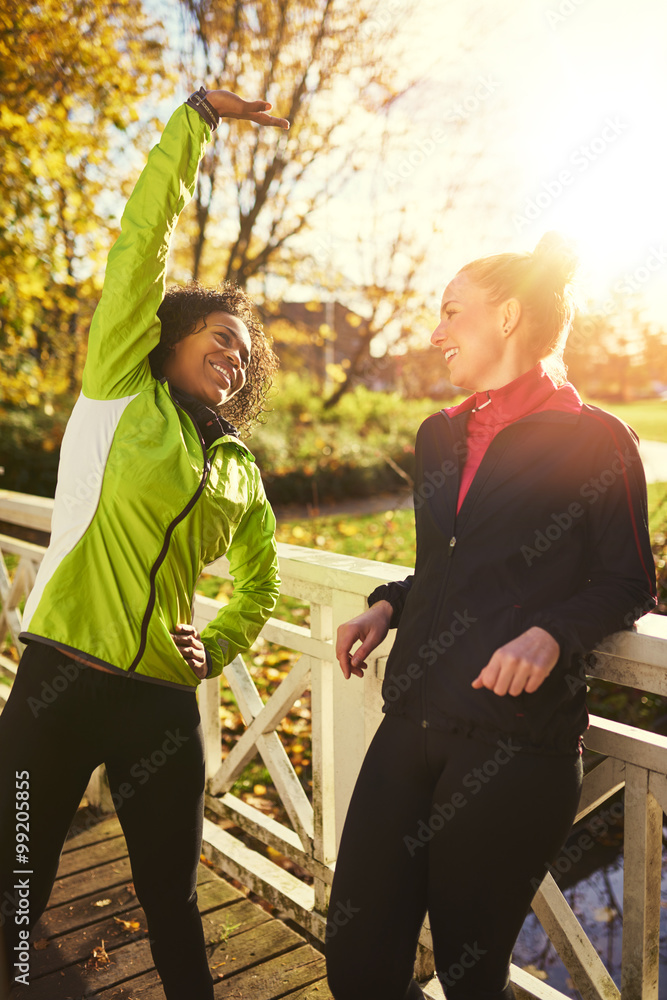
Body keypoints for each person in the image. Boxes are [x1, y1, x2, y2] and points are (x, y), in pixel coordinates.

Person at [0, 88, 289, 1000]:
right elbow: (140, 240)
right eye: (219, 338)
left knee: (172, 896)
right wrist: (197, 119)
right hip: (57, 685)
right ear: (167, 341)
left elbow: (261, 580)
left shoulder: (239, 470)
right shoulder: (122, 389)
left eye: (245, 354)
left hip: (163, 705)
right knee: (15, 891)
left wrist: (229, 641)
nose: (235, 358)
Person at [326, 234, 657, 1000]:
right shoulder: (439, 433)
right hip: (409, 718)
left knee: (470, 976)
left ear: (506, 316)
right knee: (356, 964)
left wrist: (552, 633)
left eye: (449, 313)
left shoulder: (597, 439)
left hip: (515, 747)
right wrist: (389, 604)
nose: (435, 333)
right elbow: (449, 562)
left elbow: (626, 581)